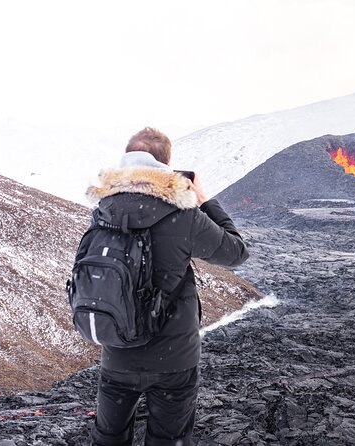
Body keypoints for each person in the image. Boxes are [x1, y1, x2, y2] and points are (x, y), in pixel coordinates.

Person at [85, 127, 249, 445]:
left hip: (118, 352)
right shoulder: (183, 214)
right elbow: (236, 252)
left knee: (109, 437)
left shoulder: (103, 212)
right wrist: (203, 199)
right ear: (166, 165)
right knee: (168, 439)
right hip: (173, 360)